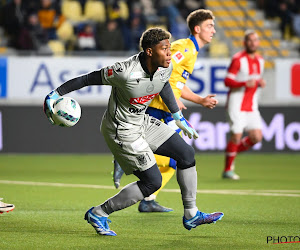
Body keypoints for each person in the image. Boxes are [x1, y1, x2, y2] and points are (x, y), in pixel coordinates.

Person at [44, 27, 224, 236]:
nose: (169, 53)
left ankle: (191, 214)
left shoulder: (165, 65)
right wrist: (55, 94)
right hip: (121, 130)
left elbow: (163, 84)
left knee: (186, 154)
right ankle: (99, 212)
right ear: (149, 51)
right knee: (152, 182)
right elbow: (86, 79)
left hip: (142, 121)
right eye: (164, 48)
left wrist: (177, 116)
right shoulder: (123, 71)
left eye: (169, 48)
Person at [113, 9, 218, 213]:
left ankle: (148, 198)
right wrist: (173, 101)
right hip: (156, 108)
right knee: (178, 156)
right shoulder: (183, 48)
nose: (213, 30)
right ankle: (124, 157)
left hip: (165, 110)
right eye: (209, 26)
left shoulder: (193, 51)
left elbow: (177, 82)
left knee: (174, 161)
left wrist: (200, 100)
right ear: (197, 29)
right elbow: (161, 71)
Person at [223, 30, 266, 180]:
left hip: (251, 105)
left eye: (255, 40)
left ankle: (231, 152)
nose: (253, 43)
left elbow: (256, 80)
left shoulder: (260, 60)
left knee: (256, 137)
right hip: (236, 102)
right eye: (250, 40)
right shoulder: (238, 59)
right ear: (245, 42)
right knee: (236, 136)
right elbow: (227, 81)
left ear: (258, 43)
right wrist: (243, 83)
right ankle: (228, 169)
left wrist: (260, 83)